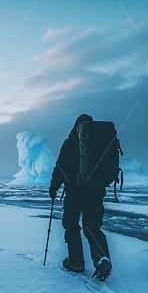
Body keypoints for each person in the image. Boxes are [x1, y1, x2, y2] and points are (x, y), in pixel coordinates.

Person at [48, 114, 112, 281]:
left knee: (71, 224)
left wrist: (54, 188)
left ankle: (76, 262)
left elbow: (60, 167)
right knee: (92, 226)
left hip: (74, 192)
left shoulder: (70, 142)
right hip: (96, 192)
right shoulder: (100, 142)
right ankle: (101, 257)